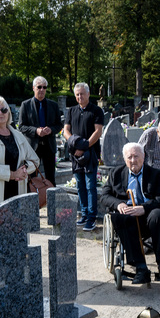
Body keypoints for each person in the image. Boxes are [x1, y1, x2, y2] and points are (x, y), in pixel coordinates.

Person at [99, 142, 160, 285]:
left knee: (159, 215)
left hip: (147, 215)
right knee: (120, 218)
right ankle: (141, 268)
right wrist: (119, 204)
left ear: (143, 157)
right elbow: (104, 196)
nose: (133, 160)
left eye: (136, 156)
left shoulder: (154, 174)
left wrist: (143, 208)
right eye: (129, 157)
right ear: (124, 159)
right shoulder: (115, 174)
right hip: (127, 216)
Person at [0, 95, 39, 213]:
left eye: (4, 110)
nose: (1, 113)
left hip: (18, 190)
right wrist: (12, 174)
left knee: (17, 226)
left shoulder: (18, 135)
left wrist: (24, 169)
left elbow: (35, 160)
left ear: (8, 113)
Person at [62, 82, 103, 231]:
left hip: (90, 153)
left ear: (88, 93)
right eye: (77, 94)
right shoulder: (71, 110)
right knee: (80, 186)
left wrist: (84, 146)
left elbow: (98, 132)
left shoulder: (96, 110)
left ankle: (92, 218)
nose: (80, 96)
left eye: (82, 94)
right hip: (75, 154)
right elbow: (66, 130)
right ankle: (84, 214)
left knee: (90, 186)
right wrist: (74, 144)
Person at [18, 76, 62, 186]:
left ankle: (51, 201)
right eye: (39, 87)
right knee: (32, 177)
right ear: (33, 88)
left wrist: (51, 129)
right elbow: (22, 126)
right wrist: (35, 130)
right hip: (33, 147)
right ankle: (34, 200)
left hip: (49, 146)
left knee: (50, 177)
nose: (42, 89)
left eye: (44, 87)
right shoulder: (26, 105)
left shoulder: (53, 105)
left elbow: (59, 125)